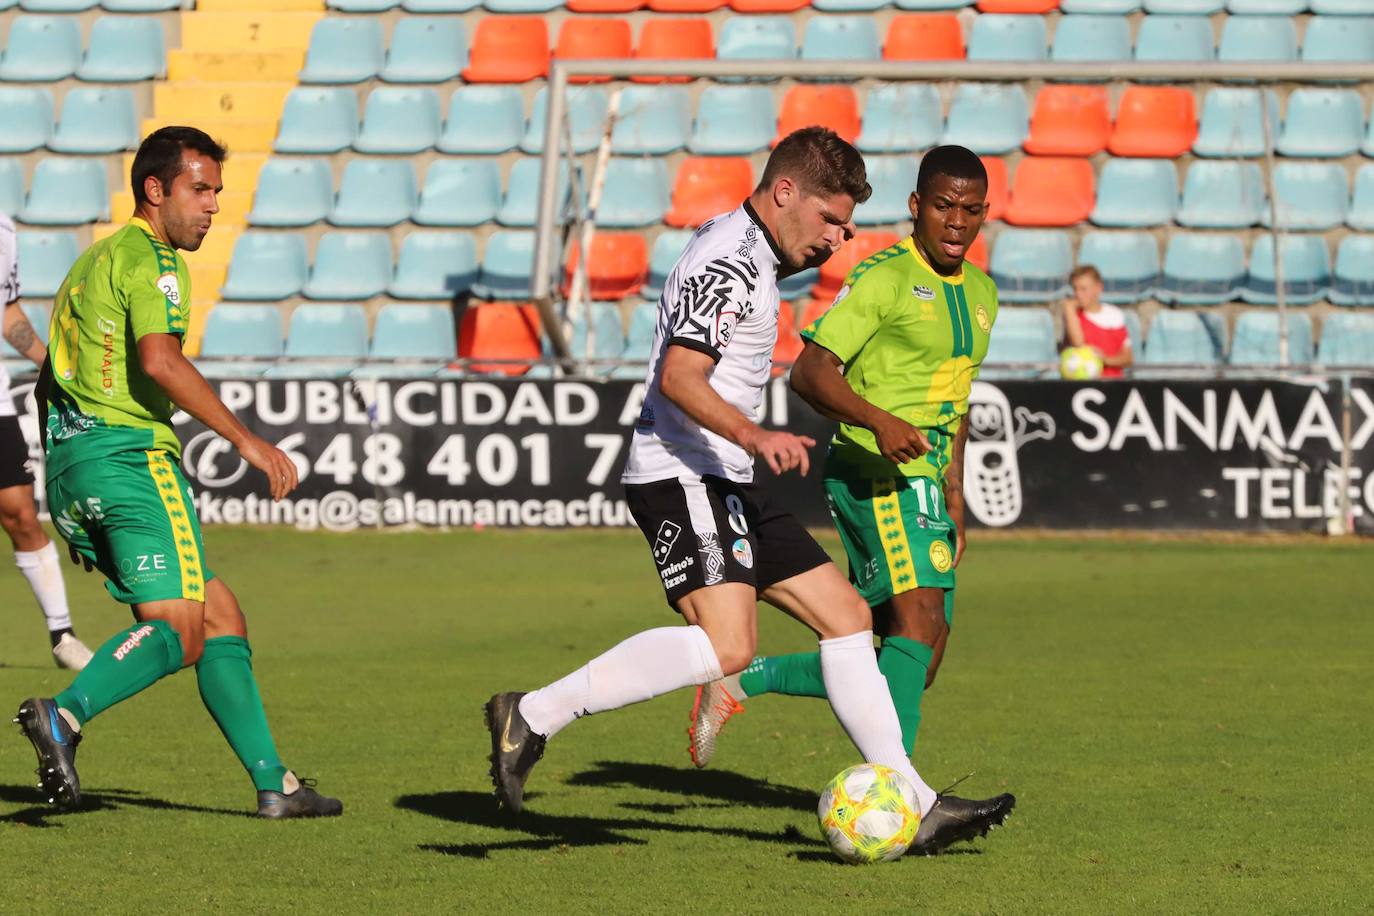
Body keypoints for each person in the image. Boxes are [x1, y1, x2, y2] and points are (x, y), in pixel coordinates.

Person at [486, 128, 1012, 855]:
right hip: (683, 470)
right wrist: (754, 435)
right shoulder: (729, 262)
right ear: (784, 193)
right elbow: (678, 377)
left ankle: (914, 800)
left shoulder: (754, 252)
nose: (840, 236)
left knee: (848, 617)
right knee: (729, 645)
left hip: (725, 473)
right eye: (831, 219)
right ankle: (534, 714)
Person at [686, 146, 1014, 853]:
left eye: (970, 209)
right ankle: (908, 799)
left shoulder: (984, 293)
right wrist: (878, 420)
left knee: (915, 646)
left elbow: (953, 404)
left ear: (984, 213)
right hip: (872, 469)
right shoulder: (885, 279)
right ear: (916, 207)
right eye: (943, 205)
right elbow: (810, 372)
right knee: (919, 619)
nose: (956, 221)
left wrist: (955, 495)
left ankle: (748, 676)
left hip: (924, 482)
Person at [14, 126, 341, 819]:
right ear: (155, 190)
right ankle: (64, 716)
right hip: (131, 458)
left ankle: (275, 785)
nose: (213, 205)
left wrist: (69, 491)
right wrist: (249, 441)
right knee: (182, 629)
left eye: (218, 191)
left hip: (79, 462)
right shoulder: (156, 262)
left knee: (222, 618)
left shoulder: (88, 265)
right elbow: (161, 362)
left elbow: (49, 381)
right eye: (200, 189)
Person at [0, 213, 93, 670]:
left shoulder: (2, 230)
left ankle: (63, 634)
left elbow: (8, 313)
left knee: (19, 513)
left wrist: (50, 366)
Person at [1061, 265, 1131, 378]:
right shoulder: (1073, 314)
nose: (1078, 294)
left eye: (1083, 289)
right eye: (1075, 289)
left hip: (1112, 383)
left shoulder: (1114, 315)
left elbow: (1128, 358)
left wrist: (1105, 360)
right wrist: (1068, 309)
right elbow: (1078, 343)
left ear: (1098, 287)